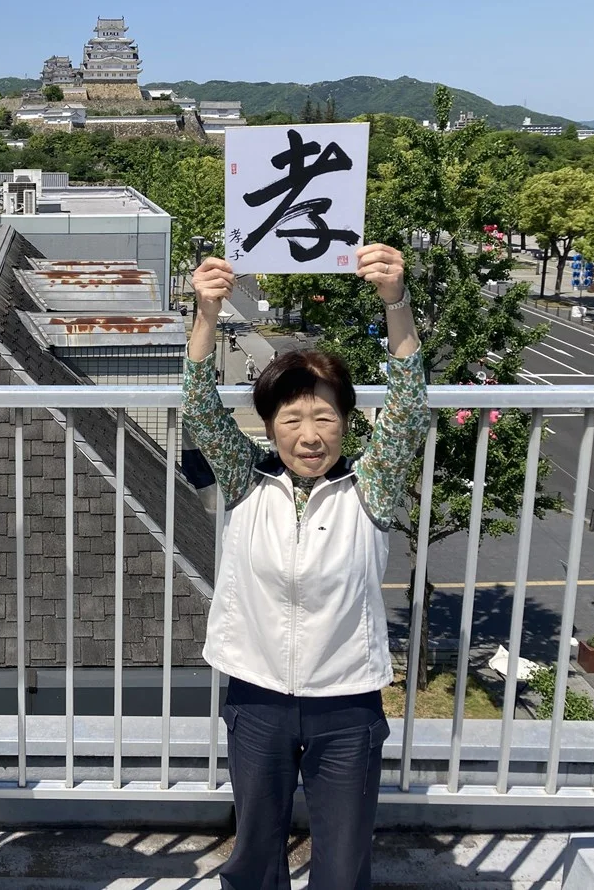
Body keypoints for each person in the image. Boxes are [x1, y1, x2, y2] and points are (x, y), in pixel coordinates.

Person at [183, 245, 429, 890]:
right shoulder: (245, 480)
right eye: (291, 418)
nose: (309, 434)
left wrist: (394, 301)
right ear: (268, 426)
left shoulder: (369, 485)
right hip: (257, 691)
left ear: (347, 423)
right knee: (255, 851)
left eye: (324, 416)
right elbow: (200, 409)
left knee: (343, 861)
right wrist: (206, 314)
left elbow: (408, 403)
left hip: (347, 699)